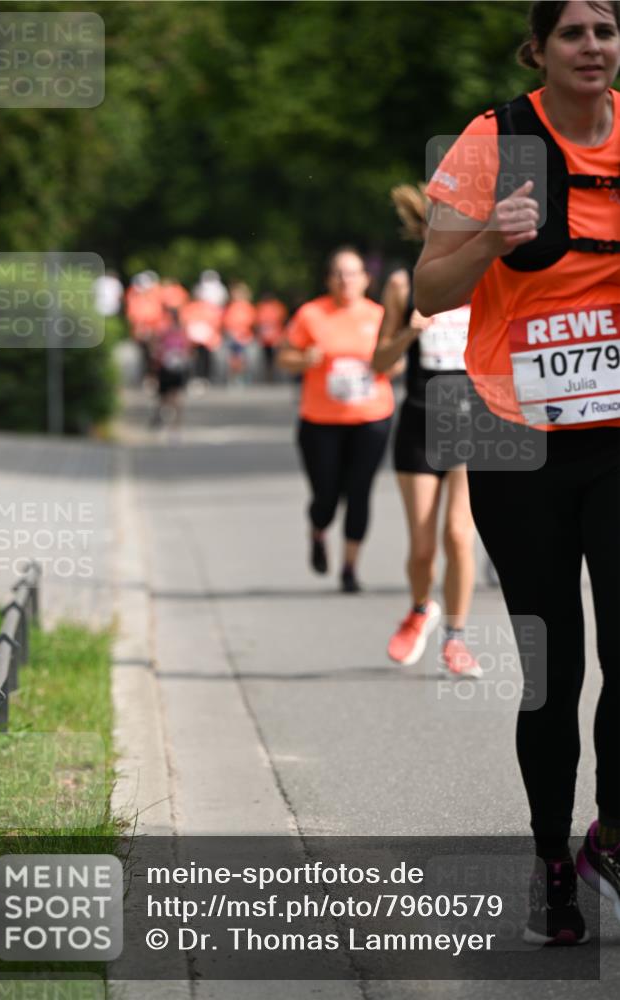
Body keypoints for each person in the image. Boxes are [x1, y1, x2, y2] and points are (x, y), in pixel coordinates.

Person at [414, 0, 620, 944]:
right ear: (539, 47)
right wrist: (492, 239)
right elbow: (426, 291)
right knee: (554, 670)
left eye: (606, 31)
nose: (592, 47)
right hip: (514, 438)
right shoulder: (496, 138)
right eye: (572, 32)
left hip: (617, 434)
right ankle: (548, 860)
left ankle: (607, 835)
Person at [372, 185, 482, 679]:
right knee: (422, 546)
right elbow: (377, 362)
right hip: (419, 415)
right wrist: (409, 332)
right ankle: (420, 609)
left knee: (459, 535)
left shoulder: (484, 277)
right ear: (424, 229)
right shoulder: (402, 285)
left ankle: (456, 639)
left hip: (471, 415)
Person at [277, 247, 397, 592]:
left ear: (365, 279)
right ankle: (318, 529)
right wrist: (304, 360)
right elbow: (284, 357)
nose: (346, 280)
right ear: (329, 279)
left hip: (371, 417)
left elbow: (397, 362)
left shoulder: (379, 315)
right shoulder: (311, 314)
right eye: (339, 274)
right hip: (320, 420)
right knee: (326, 495)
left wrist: (386, 363)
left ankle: (349, 567)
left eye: (353, 273)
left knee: (359, 493)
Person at [223, 282, 256, 385]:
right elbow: (226, 321)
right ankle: (233, 377)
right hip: (232, 336)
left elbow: (251, 321)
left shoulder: (248, 307)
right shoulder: (231, 307)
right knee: (232, 358)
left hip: (244, 337)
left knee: (244, 358)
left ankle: (244, 377)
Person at [255, 292, 288, 381]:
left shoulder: (261, 307)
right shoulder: (278, 307)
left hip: (268, 339)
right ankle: (273, 378)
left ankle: (267, 377)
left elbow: (257, 323)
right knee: (274, 360)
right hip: (272, 339)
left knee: (268, 360)